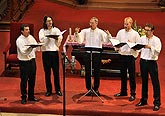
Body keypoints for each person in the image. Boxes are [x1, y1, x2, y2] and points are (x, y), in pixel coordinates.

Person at [74, 17, 112, 96]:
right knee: (88, 71)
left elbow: (106, 40)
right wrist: (77, 33)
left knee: (97, 72)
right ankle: (89, 88)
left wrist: (108, 35)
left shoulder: (100, 32)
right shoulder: (86, 31)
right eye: (90, 23)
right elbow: (80, 40)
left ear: (96, 23)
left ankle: (96, 89)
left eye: (92, 23)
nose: (90, 24)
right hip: (88, 53)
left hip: (97, 54)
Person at [136, 23, 162, 111]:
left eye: (148, 30)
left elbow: (158, 51)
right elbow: (138, 49)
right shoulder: (142, 38)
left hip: (151, 62)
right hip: (143, 61)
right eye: (145, 30)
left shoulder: (156, 40)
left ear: (152, 31)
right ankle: (144, 100)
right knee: (144, 81)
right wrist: (134, 47)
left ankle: (157, 102)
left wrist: (150, 47)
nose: (146, 32)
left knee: (155, 82)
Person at [114, 17, 140, 101]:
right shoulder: (120, 32)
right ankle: (123, 91)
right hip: (122, 55)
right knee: (123, 75)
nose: (125, 26)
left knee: (132, 75)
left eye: (127, 24)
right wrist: (117, 46)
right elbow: (116, 42)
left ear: (131, 24)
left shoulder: (135, 34)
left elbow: (139, 46)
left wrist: (132, 45)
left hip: (130, 56)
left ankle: (133, 93)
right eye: (124, 24)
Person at [39, 16, 62, 97]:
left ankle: (58, 89)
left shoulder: (56, 30)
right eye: (48, 21)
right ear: (45, 22)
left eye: (51, 20)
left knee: (56, 72)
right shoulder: (42, 31)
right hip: (46, 53)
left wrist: (57, 39)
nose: (50, 22)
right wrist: (48, 37)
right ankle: (49, 90)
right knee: (47, 73)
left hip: (54, 53)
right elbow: (41, 40)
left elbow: (60, 39)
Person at [16, 24, 39, 104]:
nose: (28, 31)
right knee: (24, 80)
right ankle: (23, 97)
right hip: (24, 62)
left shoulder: (31, 37)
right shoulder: (19, 40)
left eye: (28, 29)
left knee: (32, 79)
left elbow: (35, 46)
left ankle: (31, 96)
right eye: (26, 30)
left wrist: (37, 46)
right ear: (22, 31)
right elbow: (23, 52)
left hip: (32, 61)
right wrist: (31, 47)